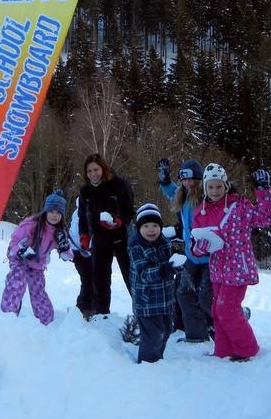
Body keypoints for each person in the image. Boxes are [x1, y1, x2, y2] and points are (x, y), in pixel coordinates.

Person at [190, 165, 271, 361]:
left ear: (225, 185)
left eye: (218, 186)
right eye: (210, 187)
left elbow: (268, 217)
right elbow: (193, 246)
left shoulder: (240, 207)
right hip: (217, 270)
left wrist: (263, 190)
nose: (214, 191)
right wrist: (200, 247)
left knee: (226, 309)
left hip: (238, 269)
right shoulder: (200, 214)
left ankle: (248, 349)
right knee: (217, 310)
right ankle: (223, 350)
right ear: (205, 188)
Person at [157, 158, 213, 343]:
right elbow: (171, 192)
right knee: (184, 293)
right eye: (184, 179)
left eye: (192, 179)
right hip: (191, 256)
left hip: (209, 258)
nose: (188, 183)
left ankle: (220, 325)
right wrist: (165, 180)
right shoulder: (182, 196)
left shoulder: (206, 197)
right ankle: (196, 334)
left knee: (206, 295)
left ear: (199, 179)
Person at [1, 190, 72, 325]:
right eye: (51, 211)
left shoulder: (60, 232)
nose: (54, 215)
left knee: (38, 290)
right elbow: (14, 241)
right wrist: (21, 250)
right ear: (46, 211)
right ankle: (8, 316)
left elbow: (67, 256)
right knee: (17, 280)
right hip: (19, 258)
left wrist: (64, 246)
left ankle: (47, 322)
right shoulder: (31, 224)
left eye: (58, 213)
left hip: (36, 264)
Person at [77, 153, 134, 316]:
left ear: (103, 169)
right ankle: (101, 317)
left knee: (132, 280)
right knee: (100, 282)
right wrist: (84, 236)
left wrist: (118, 221)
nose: (93, 174)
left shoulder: (119, 184)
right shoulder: (85, 191)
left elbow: (129, 211)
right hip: (100, 241)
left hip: (122, 239)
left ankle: (144, 315)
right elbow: (82, 216)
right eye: (89, 171)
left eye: (96, 170)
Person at [129, 203, 185, 363]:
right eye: (146, 226)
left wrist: (176, 264)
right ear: (139, 228)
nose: (151, 230)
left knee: (166, 331)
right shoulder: (136, 248)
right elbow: (144, 273)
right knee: (153, 335)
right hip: (147, 302)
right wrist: (164, 270)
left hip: (165, 300)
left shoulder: (164, 243)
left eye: (155, 225)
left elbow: (169, 266)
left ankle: (156, 359)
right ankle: (148, 364)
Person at [68, 198, 93, 319]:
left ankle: (87, 307)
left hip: (82, 252)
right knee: (88, 280)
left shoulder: (77, 213)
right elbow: (77, 233)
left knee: (89, 280)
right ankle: (83, 309)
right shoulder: (80, 215)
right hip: (80, 252)